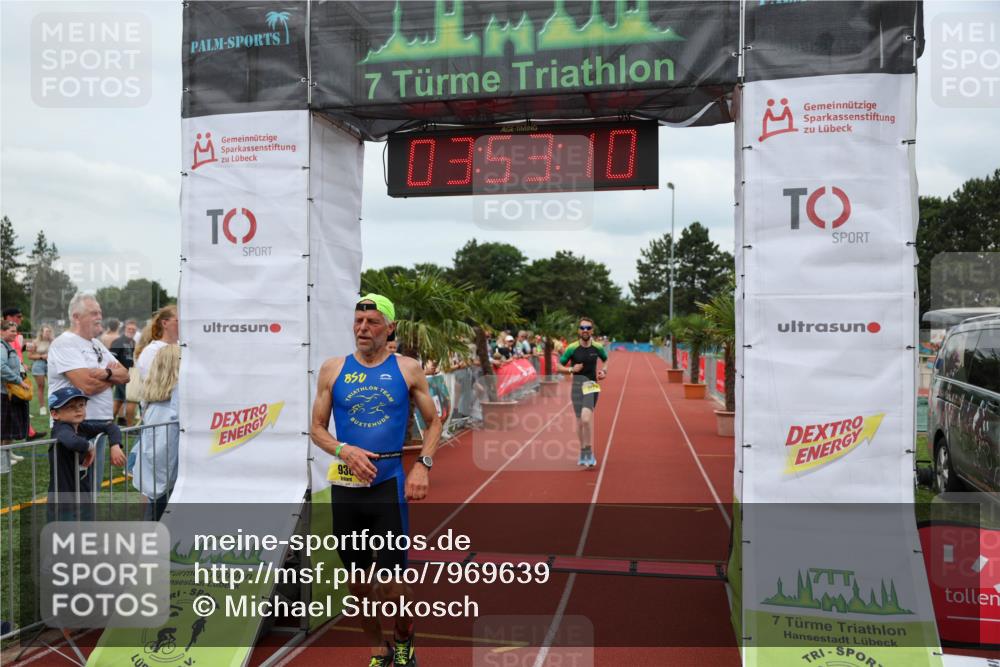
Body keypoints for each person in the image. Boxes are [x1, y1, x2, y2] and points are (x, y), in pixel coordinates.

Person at [310, 294, 442, 667]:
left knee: (392, 584)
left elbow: (434, 421)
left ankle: (403, 636)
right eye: (358, 320)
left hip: (387, 483)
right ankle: (377, 648)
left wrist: (423, 465)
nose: (363, 327)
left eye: (372, 321)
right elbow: (316, 429)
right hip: (346, 486)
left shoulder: (407, 368)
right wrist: (343, 451)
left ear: (390, 327)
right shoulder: (333, 369)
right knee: (357, 583)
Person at [48, 294, 130, 493]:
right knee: (72, 490)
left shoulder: (96, 343)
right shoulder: (64, 343)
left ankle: (86, 524)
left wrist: (105, 373)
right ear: (77, 317)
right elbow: (86, 386)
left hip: (97, 425)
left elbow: (126, 375)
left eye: (100, 312)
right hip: (73, 429)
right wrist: (112, 377)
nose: (99, 316)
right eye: (94, 313)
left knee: (91, 490)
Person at [46, 386, 122, 510]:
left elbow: (111, 427)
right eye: (70, 407)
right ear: (55, 414)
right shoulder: (60, 428)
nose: (78, 410)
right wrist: (90, 447)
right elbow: (71, 441)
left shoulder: (81, 427)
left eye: (81, 405)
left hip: (82, 494)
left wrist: (115, 445)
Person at [131, 344, 180, 520]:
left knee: (155, 500)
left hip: (153, 452)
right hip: (167, 452)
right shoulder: (176, 395)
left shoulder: (151, 394)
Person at [557, 317, 609, 468]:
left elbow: (605, 360)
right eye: (582, 328)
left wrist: (604, 371)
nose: (585, 330)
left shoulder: (598, 347)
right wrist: (572, 369)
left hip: (591, 385)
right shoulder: (572, 348)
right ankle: (583, 452)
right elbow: (559, 366)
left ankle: (589, 451)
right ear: (578, 330)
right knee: (580, 422)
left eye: (588, 328)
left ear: (592, 330)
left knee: (586, 419)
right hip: (577, 387)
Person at [1, 320, 31, 471]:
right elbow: (1, 367)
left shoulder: (6, 345)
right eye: (12, 331)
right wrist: (19, 380)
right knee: (3, 428)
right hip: (3, 393)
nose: (15, 334)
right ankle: (2, 461)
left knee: (6, 427)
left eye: (15, 331)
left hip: (7, 393)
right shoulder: (1, 346)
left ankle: (6, 456)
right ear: (2, 331)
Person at [135, 306, 178, 382]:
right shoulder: (152, 350)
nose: (183, 324)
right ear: (165, 323)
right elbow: (149, 381)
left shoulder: (184, 346)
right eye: (178, 320)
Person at [110, 320, 139, 426]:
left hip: (130, 374)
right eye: (129, 329)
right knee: (132, 400)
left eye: (133, 330)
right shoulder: (118, 341)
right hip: (122, 375)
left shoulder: (133, 342)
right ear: (125, 329)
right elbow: (112, 358)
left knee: (118, 401)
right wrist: (120, 371)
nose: (131, 331)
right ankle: (130, 427)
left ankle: (107, 424)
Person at [28, 325, 54, 415]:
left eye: (49, 331)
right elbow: (30, 356)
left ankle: (54, 406)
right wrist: (41, 356)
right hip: (39, 364)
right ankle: (42, 407)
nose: (48, 333)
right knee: (41, 386)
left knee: (53, 385)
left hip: (51, 365)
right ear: (41, 333)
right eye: (46, 331)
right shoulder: (35, 342)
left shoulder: (54, 342)